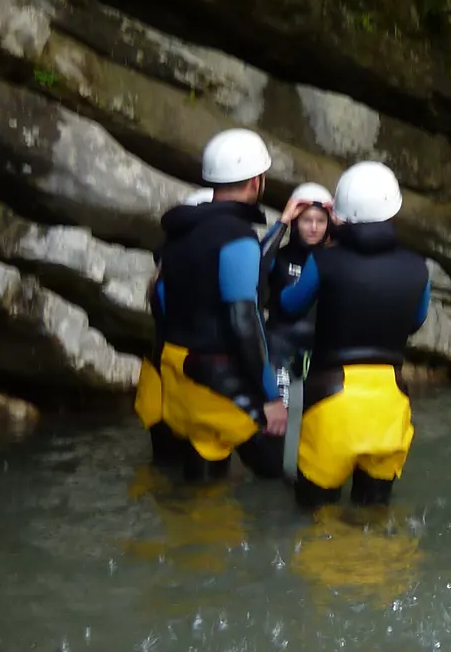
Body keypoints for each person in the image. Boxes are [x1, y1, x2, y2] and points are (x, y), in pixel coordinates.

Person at [276, 162, 430, 508]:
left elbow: (289, 305)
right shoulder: (418, 267)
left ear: (341, 213)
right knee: (373, 520)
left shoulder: (324, 261)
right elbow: (415, 321)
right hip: (390, 402)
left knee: (314, 521)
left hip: (333, 399)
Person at [154, 132, 286, 481]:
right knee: (283, 472)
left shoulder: (179, 233)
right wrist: (271, 399)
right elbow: (244, 319)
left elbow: (162, 300)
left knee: (203, 481)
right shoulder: (237, 237)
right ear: (257, 181)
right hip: (219, 378)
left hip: (180, 375)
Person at [262, 182, 335, 477]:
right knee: (278, 431)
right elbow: (255, 265)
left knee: (315, 426)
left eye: (320, 221)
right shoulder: (279, 257)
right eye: (306, 220)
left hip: (317, 352)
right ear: (296, 221)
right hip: (281, 348)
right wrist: (282, 221)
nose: (314, 228)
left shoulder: (333, 260)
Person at [136, 187, 211, 466]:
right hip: (183, 385)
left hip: (161, 383)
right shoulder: (181, 276)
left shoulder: (163, 271)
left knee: (166, 467)